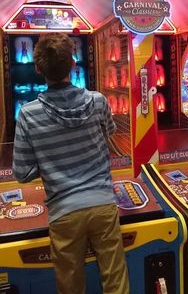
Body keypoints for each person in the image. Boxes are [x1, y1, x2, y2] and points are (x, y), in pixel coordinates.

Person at [13, 32, 129, 294]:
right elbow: (108, 133)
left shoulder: (28, 115)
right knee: (116, 279)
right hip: (102, 204)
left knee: (70, 284)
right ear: (73, 64)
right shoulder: (98, 101)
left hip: (63, 210)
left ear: (38, 69)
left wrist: (47, 161)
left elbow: (21, 173)